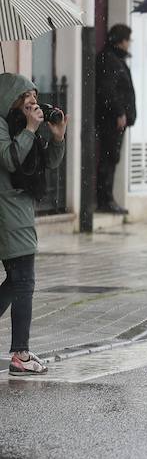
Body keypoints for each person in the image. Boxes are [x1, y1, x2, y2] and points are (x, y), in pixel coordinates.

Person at [0, 73, 67, 375]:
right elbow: (11, 160)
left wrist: (57, 136)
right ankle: (20, 354)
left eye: (34, 96)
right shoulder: (5, 125)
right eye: (25, 96)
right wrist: (29, 129)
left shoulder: (20, 125)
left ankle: (21, 352)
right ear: (10, 99)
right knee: (23, 280)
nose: (32, 101)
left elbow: (47, 163)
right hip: (8, 211)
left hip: (20, 212)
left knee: (17, 281)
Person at [95, 23, 136, 214]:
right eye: (128, 40)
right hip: (110, 120)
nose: (129, 44)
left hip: (114, 119)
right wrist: (119, 112)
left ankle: (107, 198)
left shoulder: (114, 59)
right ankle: (105, 200)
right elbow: (108, 90)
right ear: (121, 41)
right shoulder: (110, 60)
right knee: (109, 157)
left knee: (112, 157)